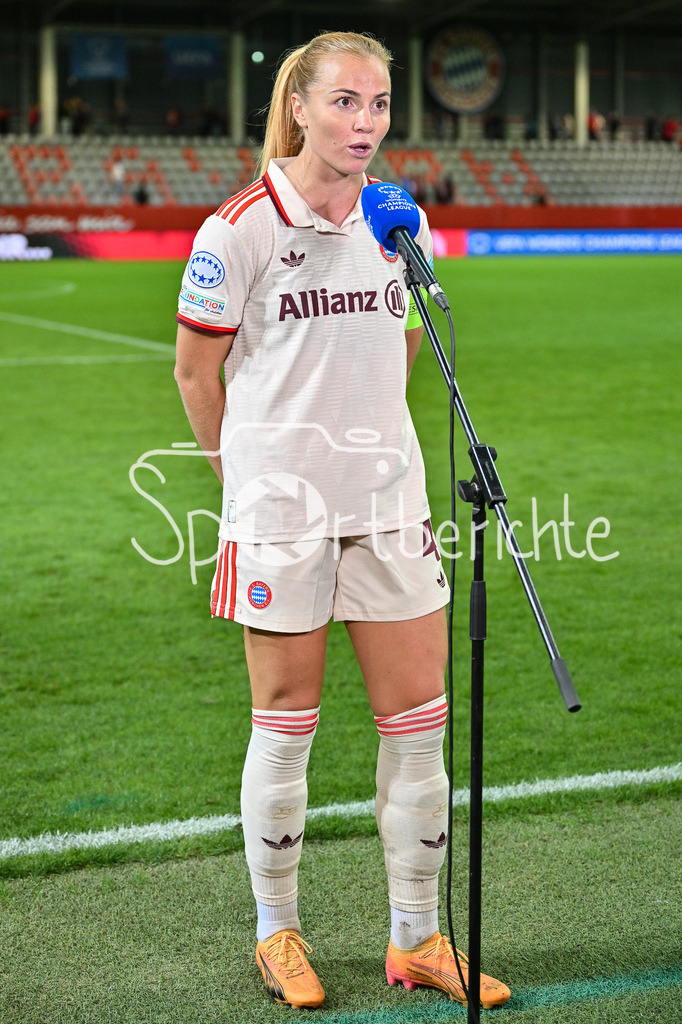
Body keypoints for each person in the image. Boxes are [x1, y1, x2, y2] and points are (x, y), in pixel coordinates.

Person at [174, 30, 510, 1013]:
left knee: (418, 725)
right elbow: (197, 370)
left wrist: (367, 447)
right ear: (301, 108)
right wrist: (246, 480)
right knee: (285, 728)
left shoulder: (397, 223)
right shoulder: (235, 228)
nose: (365, 123)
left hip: (390, 507)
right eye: (346, 103)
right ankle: (276, 931)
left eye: (378, 105)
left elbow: (406, 340)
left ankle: (418, 939)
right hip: (281, 513)